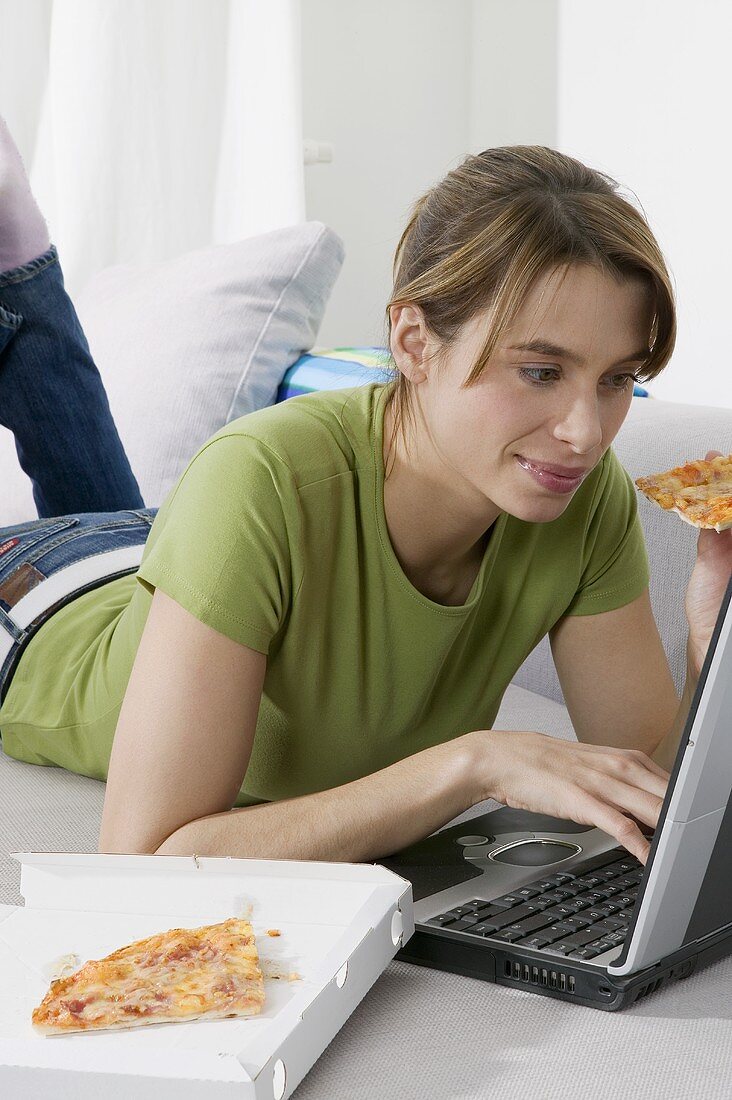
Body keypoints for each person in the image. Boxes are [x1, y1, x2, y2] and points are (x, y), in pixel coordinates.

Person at [0, 121, 728, 870]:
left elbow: (647, 794)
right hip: (39, 594)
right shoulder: (257, 479)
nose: (586, 431)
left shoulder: (584, 495)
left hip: (169, 549)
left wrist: (712, 642)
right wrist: (472, 764)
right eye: (541, 372)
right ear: (414, 343)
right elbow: (145, 854)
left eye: (615, 380)